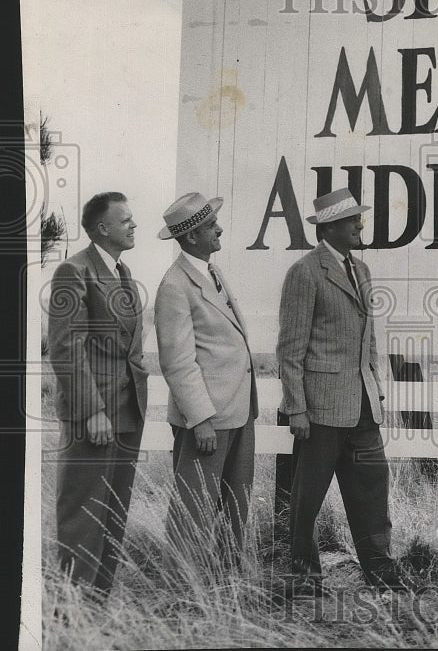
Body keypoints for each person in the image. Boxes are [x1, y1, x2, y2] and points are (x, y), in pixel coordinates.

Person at [277, 188, 401, 591]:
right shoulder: (305, 272)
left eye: (358, 218)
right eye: (352, 220)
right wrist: (296, 408)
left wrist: (376, 387)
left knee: (372, 489)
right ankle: (305, 578)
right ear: (329, 227)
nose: (359, 225)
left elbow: (369, 339)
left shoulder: (361, 270)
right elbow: (290, 349)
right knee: (307, 501)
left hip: (363, 407)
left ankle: (381, 574)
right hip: (320, 410)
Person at [48, 192, 148, 599]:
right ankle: (71, 615)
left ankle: (96, 611)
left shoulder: (123, 272)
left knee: (112, 515)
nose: (133, 225)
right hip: (95, 418)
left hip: (127, 413)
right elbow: (65, 347)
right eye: (125, 220)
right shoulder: (73, 271)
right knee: (82, 517)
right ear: (102, 228)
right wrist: (92, 411)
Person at [153, 192, 257, 564]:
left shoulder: (211, 272)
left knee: (235, 505)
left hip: (237, 410)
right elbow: (177, 362)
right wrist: (200, 420)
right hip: (208, 420)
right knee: (193, 509)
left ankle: (224, 587)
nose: (220, 229)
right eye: (212, 226)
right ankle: (184, 591)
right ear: (193, 236)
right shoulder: (174, 286)